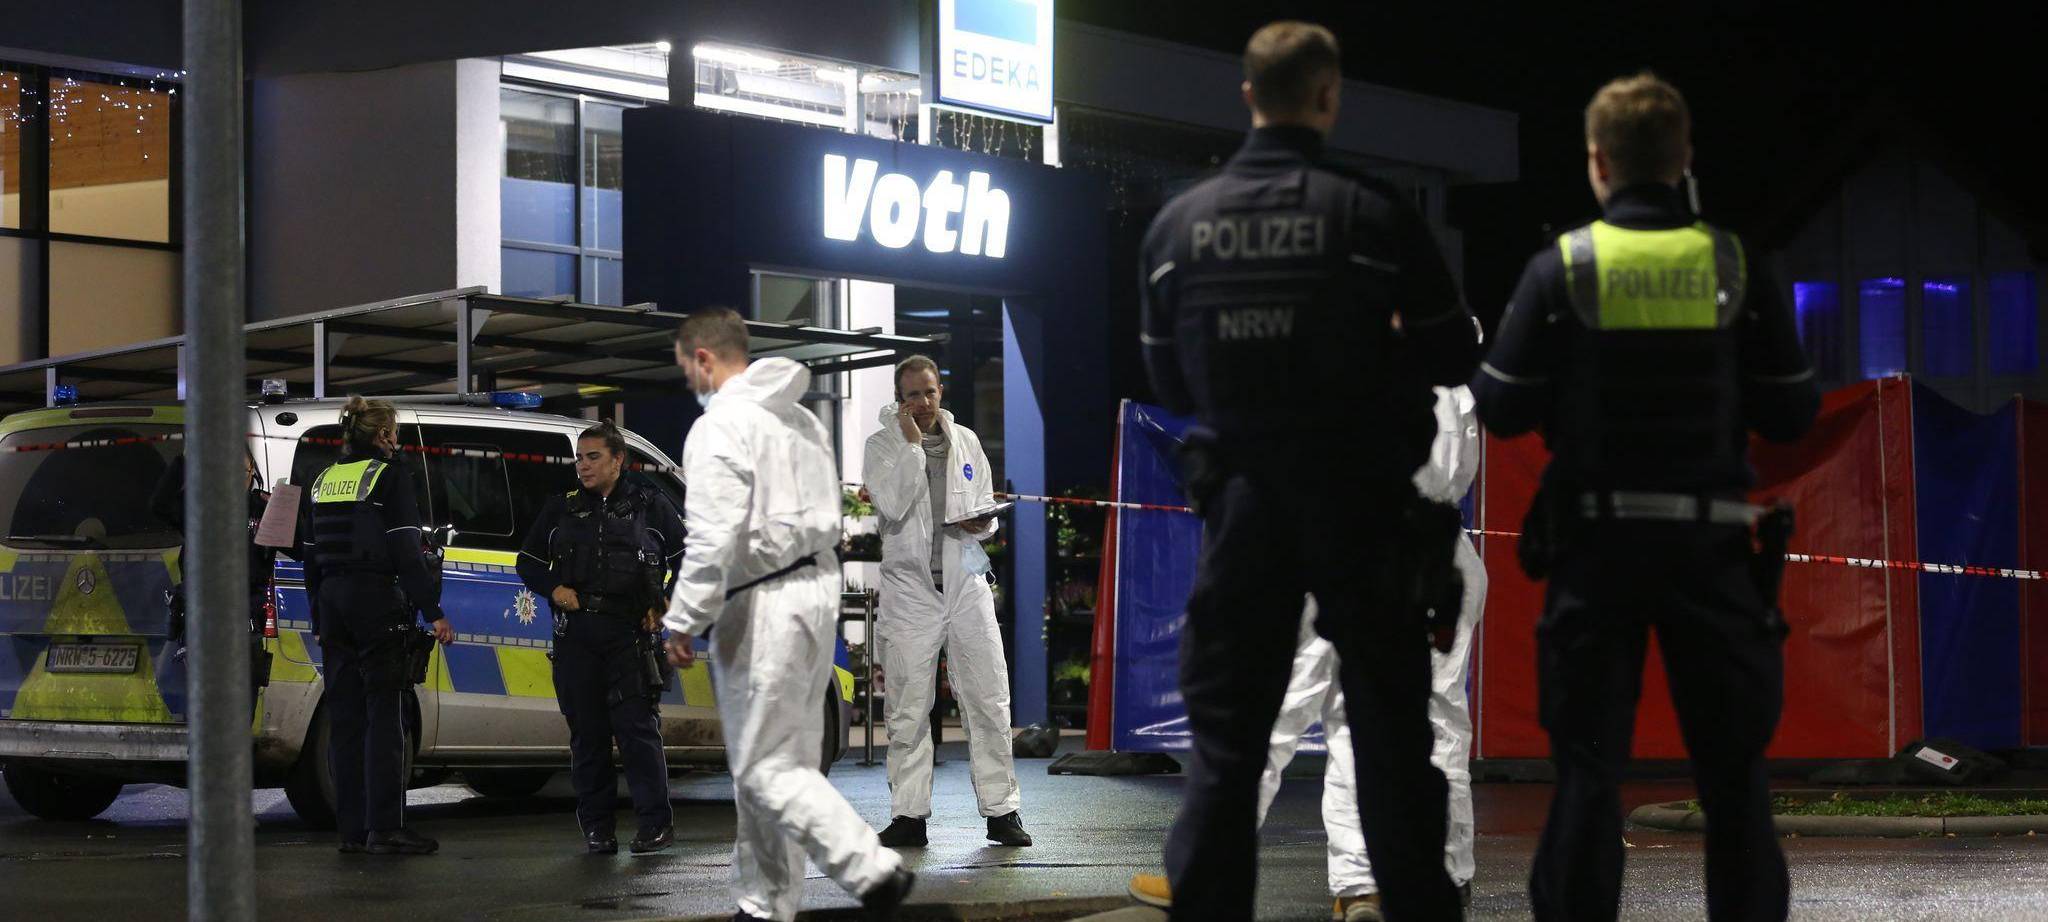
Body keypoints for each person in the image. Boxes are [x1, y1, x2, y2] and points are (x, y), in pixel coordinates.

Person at [1127, 20, 1481, 922]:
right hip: (1365, 517)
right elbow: (1451, 353)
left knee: (1230, 751)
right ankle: (1388, 897)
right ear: (1329, 98)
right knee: (1396, 754)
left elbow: (1169, 381)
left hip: (1246, 513)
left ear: (1248, 96)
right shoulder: (1371, 218)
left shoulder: (1179, 227)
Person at [1470, 73, 1819, 922]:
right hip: (1713, 555)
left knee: (1586, 773)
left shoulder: (1566, 265)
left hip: (1596, 555)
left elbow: (1500, 403)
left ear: (1597, 162)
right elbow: (1792, 411)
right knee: (1735, 782)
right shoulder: (1734, 263)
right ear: (1683, 157)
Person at [659, 308, 914, 921]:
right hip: (816, 588)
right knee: (782, 764)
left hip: (762, 601)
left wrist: (682, 617)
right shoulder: (800, 418)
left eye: (684, 368)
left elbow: (713, 536)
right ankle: (765, 902)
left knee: (764, 765)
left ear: (702, 358)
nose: (687, 382)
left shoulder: (720, 428)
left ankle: (870, 868)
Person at [1255, 386, 1488, 922]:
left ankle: (1210, 871)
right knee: (1434, 727)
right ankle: (1441, 874)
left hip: (1352, 547)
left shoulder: (1352, 348)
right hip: (1439, 556)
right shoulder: (1454, 371)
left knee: (1275, 719)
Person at [860, 354, 1031, 849]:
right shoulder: (882, 446)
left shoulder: (968, 442)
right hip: (912, 593)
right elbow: (890, 506)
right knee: (908, 708)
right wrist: (913, 448)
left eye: (929, 392)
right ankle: (910, 817)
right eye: (912, 394)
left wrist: (986, 523)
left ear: (941, 392)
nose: (922, 402)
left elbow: (981, 505)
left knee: (989, 698)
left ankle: (1002, 812)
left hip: (966, 586)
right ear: (899, 399)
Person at [517, 420, 685, 855]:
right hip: (578, 636)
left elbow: (692, 559)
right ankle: (597, 828)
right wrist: (553, 587)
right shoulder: (562, 508)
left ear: (618, 460)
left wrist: (665, 603)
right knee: (587, 736)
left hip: (629, 635)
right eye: (579, 458)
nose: (583, 466)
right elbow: (528, 562)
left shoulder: (652, 504)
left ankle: (654, 825)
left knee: (636, 733)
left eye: (593, 457)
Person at [298, 396, 455, 856]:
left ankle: (352, 831)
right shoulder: (389, 477)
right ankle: (386, 828)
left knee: (345, 721)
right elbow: (407, 552)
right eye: (394, 432)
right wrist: (434, 612)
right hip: (375, 601)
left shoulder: (323, 478)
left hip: (332, 602)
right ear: (384, 434)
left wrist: (319, 617)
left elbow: (310, 555)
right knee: (386, 715)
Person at [152, 449, 281, 714]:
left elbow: (300, 547)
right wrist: (184, 460)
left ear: (252, 472)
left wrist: (290, 509)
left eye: (242, 471)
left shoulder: (263, 508)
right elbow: (159, 504)